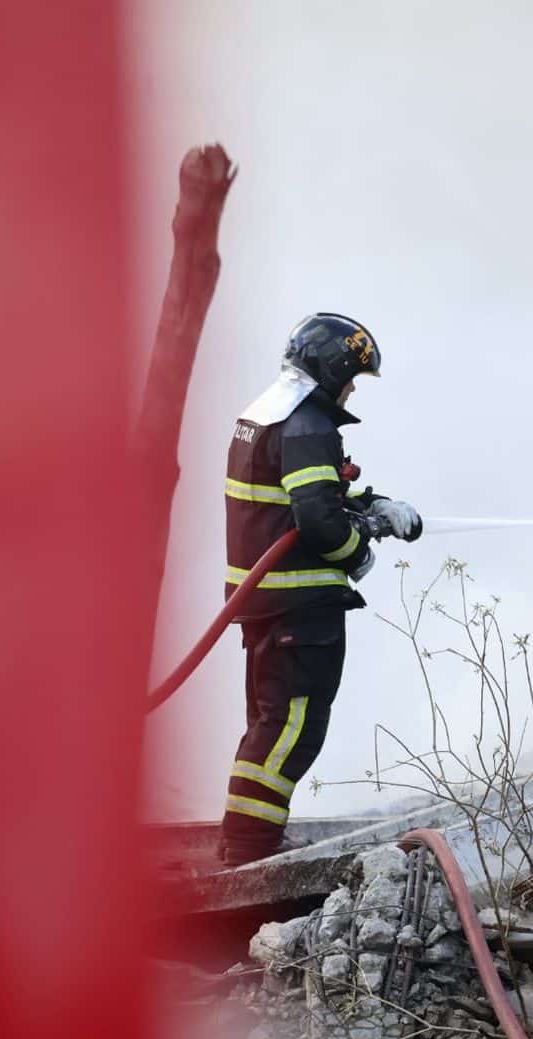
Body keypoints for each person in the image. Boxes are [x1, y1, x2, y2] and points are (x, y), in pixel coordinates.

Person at [217, 312, 421, 866]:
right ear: (332, 370)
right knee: (292, 730)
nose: (353, 389)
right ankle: (249, 851)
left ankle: (246, 840)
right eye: (352, 377)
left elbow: (301, 501)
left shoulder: (265, 416)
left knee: (270, 726)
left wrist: (371, 506)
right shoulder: (309, 426)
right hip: (300, 608)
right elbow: (316, 520)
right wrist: (360, 553)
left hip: (270, 606)